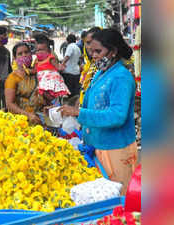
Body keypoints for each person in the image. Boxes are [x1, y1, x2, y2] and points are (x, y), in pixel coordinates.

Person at [58, 28, 137, 195]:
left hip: (115, 149)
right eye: (91, 51)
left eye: (98, 51)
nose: (93, 55)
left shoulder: (121, 77)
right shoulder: (100, 73)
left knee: (118, 201)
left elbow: (117, 116)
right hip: (98, 146)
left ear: (114, 51)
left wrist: (79, 113)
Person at [4, 42, 45, 125]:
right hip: (21, 122)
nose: (24, 55)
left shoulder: (37, 73)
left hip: (39, 119)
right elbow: (9, 104)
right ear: (15, 58)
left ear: (31, 54)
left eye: (26, 52)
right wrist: (28, 115)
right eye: (20, 54)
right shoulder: (13, 78)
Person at [79, 27, 102, 105]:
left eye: (94, 42)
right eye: (88, 43)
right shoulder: (90, 65)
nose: (90, 47)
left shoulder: (106, 66)